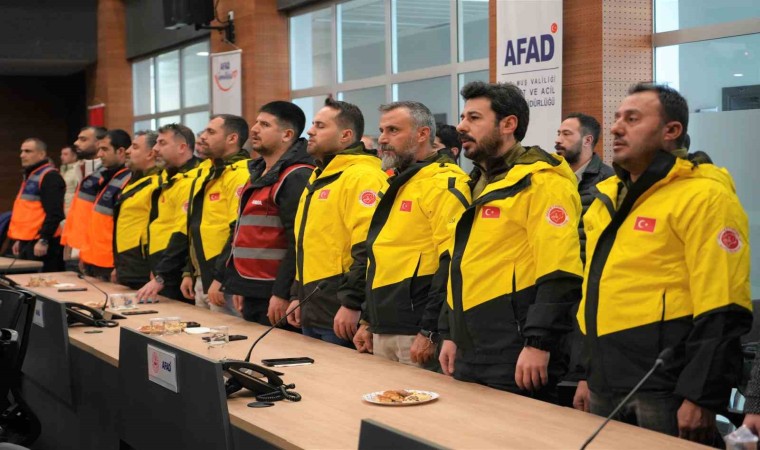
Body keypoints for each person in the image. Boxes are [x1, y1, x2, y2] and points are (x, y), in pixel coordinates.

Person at [576, 83, 752, 443]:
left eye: (632, 119)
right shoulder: (608, 198)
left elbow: (724, 304)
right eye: (616, 118)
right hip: (604, 381)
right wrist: (585, 372)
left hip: (666, 387)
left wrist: (700, 396)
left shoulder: (704, 195)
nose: (616, 128)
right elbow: (595, 293)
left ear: (671, 130)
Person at [438, 81, 582, 402]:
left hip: (517, 353)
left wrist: (538, 343)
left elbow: (560, 271)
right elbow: (460, 266)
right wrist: (449, 332)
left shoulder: (542, 182)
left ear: (508, 124)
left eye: (474, 118)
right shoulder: (474, 184)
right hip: (470, 347)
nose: (461, 127)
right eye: (463, 117)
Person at [353, 101, 470, 369]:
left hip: (417, 331)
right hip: (384, 324)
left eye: (393, 130)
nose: (383, 139)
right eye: (382, 130)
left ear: (422, 134)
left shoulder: (445, 182)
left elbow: (452, 262)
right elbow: (381, 257)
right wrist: (369, 320)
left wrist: (430, 330)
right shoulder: (398, 181)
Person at [286, 98, 387, 347]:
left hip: (339, 311)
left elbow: (368, 246)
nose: (310, 131)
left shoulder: (363, 177)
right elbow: (308, 245)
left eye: (320, 126)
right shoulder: (320, 176)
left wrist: (352, 303)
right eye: (313, 124)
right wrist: (297, 294)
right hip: (312, 305)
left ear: (345, 135)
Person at [214, 101, 314, 326]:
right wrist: (239, 283)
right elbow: (241, 231)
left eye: (265, 125)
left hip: (274, 291)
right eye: (256, 122)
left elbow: (297, 241)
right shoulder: (257, 172)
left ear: (287, 135)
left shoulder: (296, 176)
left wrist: (282, 293)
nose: (255, 129)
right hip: (252, 286)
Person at [186, 115, 250, 316]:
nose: (202, 137)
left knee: (225, 334)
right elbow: (195, 226)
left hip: (221, 278)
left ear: (232, 138)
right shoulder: (211, 172)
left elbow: (238, 231)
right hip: (203, 273)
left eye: (211, 132)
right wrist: (189, 271)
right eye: (204, 131)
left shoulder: (241, 174)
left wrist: (221, 277)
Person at [136, 124, 203, 303]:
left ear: (182, 147)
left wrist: (163, 275)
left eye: (162, 143)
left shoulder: (193, 179)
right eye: (156, 143)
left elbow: (183, 232)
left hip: (177, 271)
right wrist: (155, 268)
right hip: (162, 265)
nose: (155, 148)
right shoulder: (168, 177)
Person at [78, 129, 132, 280]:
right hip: (94, 259)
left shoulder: (128, 179)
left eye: (104, 149)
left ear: (120, 151)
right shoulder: (106, 176)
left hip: (110, 263)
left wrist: (120, 265)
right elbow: (95, 222)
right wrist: (85, 255)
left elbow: (125, 229)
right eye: (99, 149)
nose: (99, 154)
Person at [8, 138, 65, 272]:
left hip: (41, 244)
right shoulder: (31, 175)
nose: (22, 155)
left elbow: (55, 213)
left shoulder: (50, 177)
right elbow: (28, 212)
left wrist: (44, 240)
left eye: (28, 151)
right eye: (22, 151)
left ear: (41, 154)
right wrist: (20, 239)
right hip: (28, 241)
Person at [112, 130, 161, 289]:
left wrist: (158, 271)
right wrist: (118, 265)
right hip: (127, 264)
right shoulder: (134, 182)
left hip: (144, 268)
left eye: (134, 147)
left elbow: (163, 228)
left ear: (150, 154)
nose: (127, 151)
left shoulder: (159, 184)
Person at [59, 145, 79, 218]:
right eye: (61, 154)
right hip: (62, 207)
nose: (62, 157)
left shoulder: (78, 170)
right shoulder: (63, 169)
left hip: (71, 209)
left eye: (65, 154)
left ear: (74, 156)